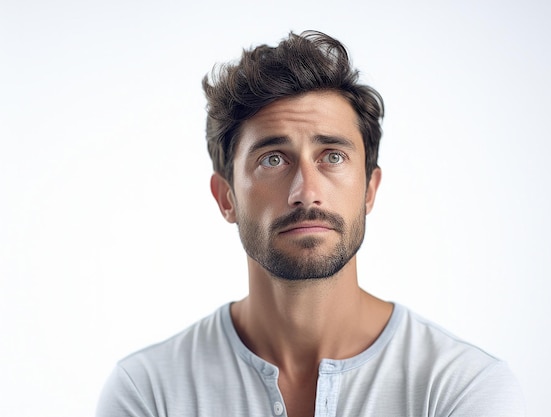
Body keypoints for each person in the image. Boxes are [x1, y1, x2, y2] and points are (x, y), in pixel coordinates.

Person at [96, 30, 525, 417]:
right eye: (273, 159)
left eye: (332, 156)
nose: (306, 190)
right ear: (226, 197)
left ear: (369, 190)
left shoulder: (461, 388)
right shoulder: (149, 393)